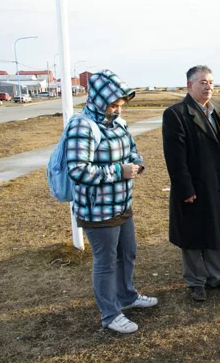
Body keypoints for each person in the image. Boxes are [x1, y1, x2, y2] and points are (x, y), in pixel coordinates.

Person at [67, 69, 157, 334]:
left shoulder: (120, 123)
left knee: (127, 253)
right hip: (97, 209)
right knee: (106, 262)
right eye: (113, 105)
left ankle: (127, 296)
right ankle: (110, 314)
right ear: (97, 99)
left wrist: (137, 163)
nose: (117, 110)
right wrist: (119, 171)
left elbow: (132, 149)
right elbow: (78, 170)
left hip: (121, 204)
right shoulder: (81, 125)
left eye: (120, 105)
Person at [162, 65, 220, 302]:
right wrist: (185, 189)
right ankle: (196, 282)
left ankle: (216, 276)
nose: (208, 87)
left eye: (211, 82)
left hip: (216, 184)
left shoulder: (216, 110)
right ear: (190, 85)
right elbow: (175, 157)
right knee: (193, 234)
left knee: (214, 230)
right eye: (203, 82)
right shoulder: (176, 114)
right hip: (194, 187)